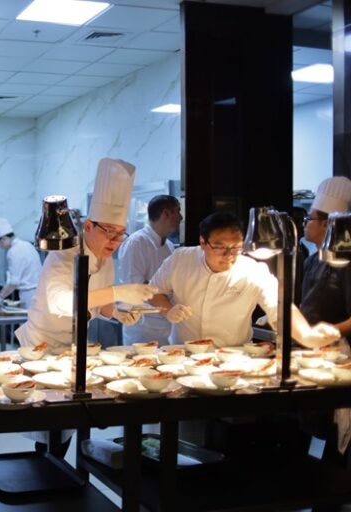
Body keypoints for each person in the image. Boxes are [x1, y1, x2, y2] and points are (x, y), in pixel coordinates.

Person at [16, 157, 158, 356]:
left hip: (74, 345)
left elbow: (99, 305)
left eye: (120, 234)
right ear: (89, 226)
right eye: (109, 231)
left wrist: (117, 312)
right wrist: (118, 292)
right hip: (39, 345)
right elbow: (61, 303)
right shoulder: (64, 255)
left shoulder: (105, 258)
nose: (115, 241)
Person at [149, 211, 335, 348]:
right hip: (183, 353)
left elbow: (280, 307)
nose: (229, 255)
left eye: (236, 248)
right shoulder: (181, 259)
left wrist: (307, 335)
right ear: (203, 242)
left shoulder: (252, 270)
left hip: (233, 355)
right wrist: (168, 311)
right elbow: (154, 291)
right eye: (220, 248)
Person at [297, 176, 351, 476]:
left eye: (310, 218)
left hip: (338, 360)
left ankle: (334, 484)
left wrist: (334, 331)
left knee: (328, 432)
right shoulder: (312, 260)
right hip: (312, 356)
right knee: (312, 427)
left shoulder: (346, 262)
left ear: (329, 224)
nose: (306, 224)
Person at [117, 194, 182, 345]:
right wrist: (167, 307)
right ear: (166, 213)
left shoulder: (169, 246)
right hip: (142, 327)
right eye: (178, 211)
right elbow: (136, 286)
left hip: (166, 326)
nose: (181, 217)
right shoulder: (136, 242)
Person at [0, 217, 42, 308]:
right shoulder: (27, 245)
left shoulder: (13, 251)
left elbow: (14, 282)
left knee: (29, 316)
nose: (0, 247)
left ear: (3, 239)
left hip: (28, 294)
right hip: (40, 291)